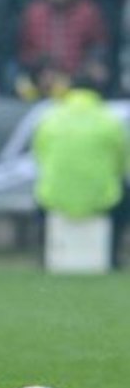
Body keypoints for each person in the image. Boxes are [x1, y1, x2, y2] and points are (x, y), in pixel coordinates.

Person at [33, 85, 129, 269]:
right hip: (101, 198)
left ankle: (45, 254)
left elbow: (41, 157)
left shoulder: (50, 118)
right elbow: (121, 162)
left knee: (40, 196)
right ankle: (112, 256)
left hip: (55, 196)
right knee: (124, 197)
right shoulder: (110, 121)